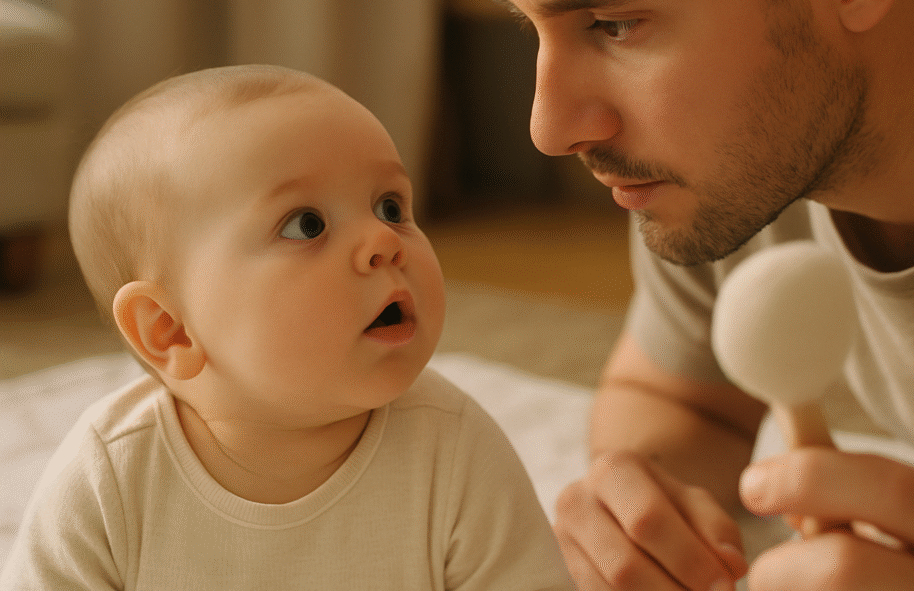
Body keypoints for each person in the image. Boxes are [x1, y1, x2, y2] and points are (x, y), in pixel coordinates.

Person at [485, 0, 914, 588]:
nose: (550, 126)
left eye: (614, 24)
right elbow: (684, 399)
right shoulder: (738, 160)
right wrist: (645, 518)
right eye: (532, 27)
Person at [0, 65, 573, 590]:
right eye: (307, 225)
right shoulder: (113, 477)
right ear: (169, 330)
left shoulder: (454, 448)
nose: (383, 243)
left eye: (391, 207)